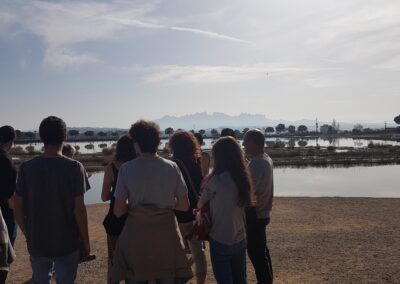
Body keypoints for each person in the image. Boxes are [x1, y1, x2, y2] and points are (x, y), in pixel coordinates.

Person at [110, 120, 193, 283]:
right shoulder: (172, 167)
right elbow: (184, 205)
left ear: (137, 143)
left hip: (137, 238)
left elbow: (118, 211)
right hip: (167, 236)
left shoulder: (126, 169)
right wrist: (167, 206)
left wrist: (136, 209)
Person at [14, 116, 90, 284]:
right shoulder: (75, 168)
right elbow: (79, 210)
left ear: (42, 138)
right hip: (67, 243)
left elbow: (17, 207)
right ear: (65, 137)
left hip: (38, 242)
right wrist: (86, 241)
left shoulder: (26, 168)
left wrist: (28, 234)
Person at [198, 136, 251, 284]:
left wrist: (204, 171)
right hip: (240, 237)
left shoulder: (215, 180)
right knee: (241, 279)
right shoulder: (243, 178)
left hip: (220, 238)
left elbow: (200, 204)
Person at [169, 131, 207, 284]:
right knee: (198, 251)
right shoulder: (196, 160)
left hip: (180, 212)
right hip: (197, 210)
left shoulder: (173, 163)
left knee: (178, 249)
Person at [101, 135, 136, 283]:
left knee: (114, 261)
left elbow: (104, 196)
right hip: (134, 219)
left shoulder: (112, 167)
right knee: (133, 262)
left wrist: (116, 193)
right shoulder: (138, 165)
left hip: (115, 219)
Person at [242, 129, 274, 284]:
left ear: (254, 142)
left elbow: (248, 190)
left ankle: (265, 281)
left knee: (256, 254)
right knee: (262, 251)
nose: (243, 144)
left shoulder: (257, 162)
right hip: (263, 212)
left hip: (256, 214)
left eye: (246, 141)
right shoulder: (264, 158)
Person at [0, 125, 17, 283]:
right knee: (4, 260)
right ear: (11, 141)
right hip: (5, 217)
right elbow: (10, 197)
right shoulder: (6, 160)